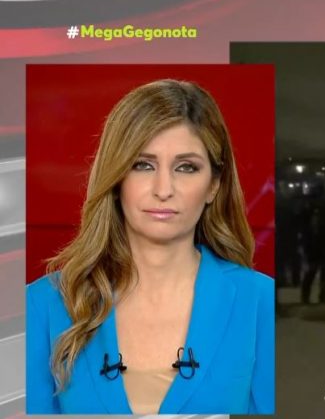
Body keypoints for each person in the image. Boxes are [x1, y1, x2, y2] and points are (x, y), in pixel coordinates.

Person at [26, 80, 274, 414]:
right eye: (142, 165)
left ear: (214, 185)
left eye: (186, 167)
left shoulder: (260, 302)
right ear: (117, 180)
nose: (163, 189)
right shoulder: (42, 305)